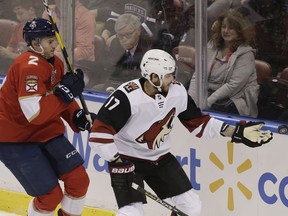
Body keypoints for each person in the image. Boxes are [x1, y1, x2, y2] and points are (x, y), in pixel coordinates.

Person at [88, 49, 273, 216]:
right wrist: (117, 161)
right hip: (127, 159)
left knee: (191, 207)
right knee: (131, 213)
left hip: (160, 159)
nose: (173, 79)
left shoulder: (177, 93)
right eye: (168, 76)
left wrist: (236, 132)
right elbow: (99, 135)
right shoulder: (127, 97)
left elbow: (199, 123)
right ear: (154, 77)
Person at [0, 18, 96, 216]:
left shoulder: (56, 63)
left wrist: (75, 114)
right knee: (50, 196)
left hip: (46, 132)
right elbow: (35, 114)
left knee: (79, 181)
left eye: (55, 40)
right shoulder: (28, 67)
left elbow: (58, 97)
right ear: (35, 43)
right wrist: (65, 93)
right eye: (50, 41)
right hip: (15, 139)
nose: (55, 45)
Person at [189, 9, 259, 118]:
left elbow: (233, 86)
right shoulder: (212, 45)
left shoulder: (246, 53)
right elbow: (198, 75)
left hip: (232, 99)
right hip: (208, 94)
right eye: (223, 26)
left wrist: (207, 102)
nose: (226, 31)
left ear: (239, 31)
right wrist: (191, 101)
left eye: (231, 28)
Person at [42, 0, 96, 84]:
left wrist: (53, 54)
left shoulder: (85, 16)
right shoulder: (48, 13)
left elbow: (84, 51)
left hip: (79, 67)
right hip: (51, 62)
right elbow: (42, 42)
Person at [103, 13, 152, 91]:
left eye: (128, 34)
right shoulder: (115, 43)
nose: (124, 39)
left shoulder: (149, 48)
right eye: (120, 35)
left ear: (138, 31)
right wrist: (110, 88)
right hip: (120, 87)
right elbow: (112, 72)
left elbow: (145, 80)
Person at [0, 0, 38, 74]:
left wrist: (11, 55)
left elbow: (34, 57)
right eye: (16, 14)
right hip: (16, 61)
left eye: (21, 13)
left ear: (31, 10)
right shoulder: (18, 27)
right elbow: (10, 48)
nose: (18, 17)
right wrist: (4, 52)